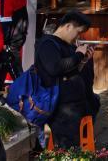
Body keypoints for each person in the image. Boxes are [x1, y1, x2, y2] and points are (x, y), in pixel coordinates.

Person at [35, 10, 100, 149]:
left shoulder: (68, 45)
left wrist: (83, 61)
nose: (78, 36)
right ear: (68, 26)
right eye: (78, 32)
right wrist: (78, 55)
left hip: (76, 105)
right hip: (62, 109)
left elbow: (72, 71)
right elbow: (55, 68)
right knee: (67, 148)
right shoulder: (47, 44)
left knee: (76, 147)